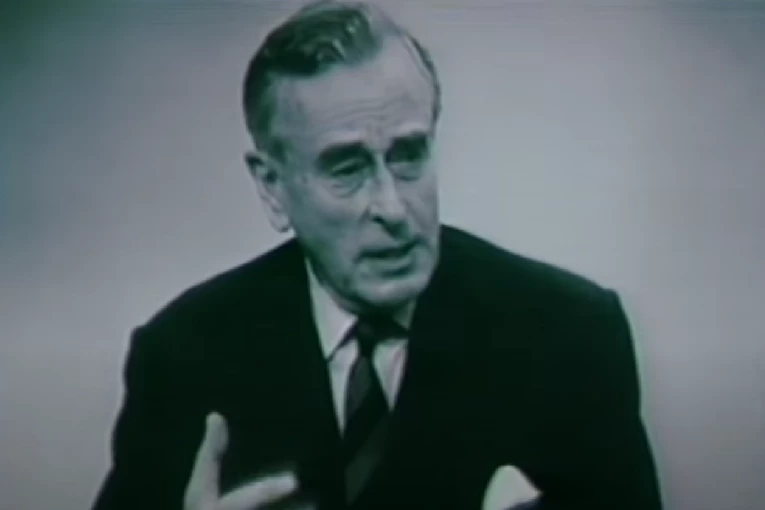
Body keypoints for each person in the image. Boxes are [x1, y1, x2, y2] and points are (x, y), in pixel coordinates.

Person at [91, 1, 663, 509]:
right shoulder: (184, 358)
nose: (392, 206)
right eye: (347, 168)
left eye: (408, 154)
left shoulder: (569, 337)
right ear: (272, 187)